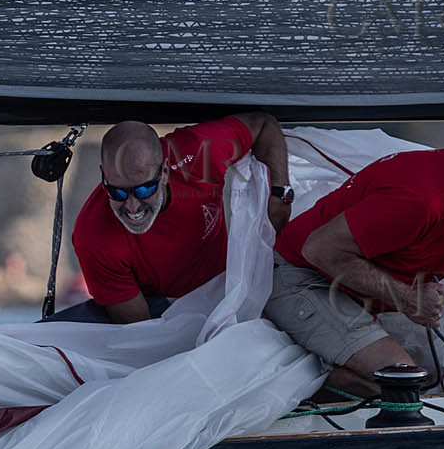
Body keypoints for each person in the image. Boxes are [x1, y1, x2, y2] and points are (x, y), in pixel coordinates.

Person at [264, 144, 444, 398]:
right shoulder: (419, 200)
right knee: (404, 387)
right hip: (304, 277)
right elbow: (319, 250)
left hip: (363, 292)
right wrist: (409, 298)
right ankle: (288, 375)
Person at [70, 113, 293, 323]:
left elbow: (264, 125)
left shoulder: (196, 153)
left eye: (144, 190)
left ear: (165, 171)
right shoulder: (92, 235)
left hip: (231, 281)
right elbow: (139, 331)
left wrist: (279, 196)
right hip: (163, 307)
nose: (132, 206)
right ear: (103, 176)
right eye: (117, 192)